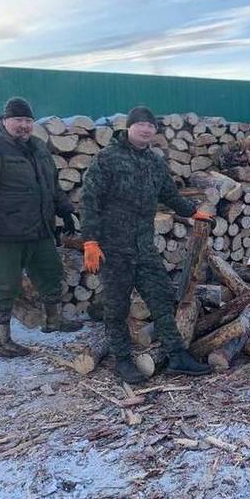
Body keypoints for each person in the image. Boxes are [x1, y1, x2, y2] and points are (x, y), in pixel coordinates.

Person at [82, 106, 214, 383]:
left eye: (151, 126)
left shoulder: (154, 162)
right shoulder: (107, 159)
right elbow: (91, 202)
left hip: (144, 247)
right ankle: (123, 361)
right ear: (129, 127)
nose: (146, 129)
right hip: (113, 248)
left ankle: (177, 355)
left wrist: (191, 211)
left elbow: (168, 193)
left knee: (162, 298)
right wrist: (91, 241)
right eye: (140, 125)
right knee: (116, 307)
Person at [0, 97, 82, 358]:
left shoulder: (38, 147)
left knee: (51, 274)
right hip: (7, 232)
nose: (24, 125)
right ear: (4, 120)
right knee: (4, 284)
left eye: (28, 120)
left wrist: (64, 210)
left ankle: (53, 320)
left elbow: (51, 184)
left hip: (40, 228)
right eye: (18, 120)